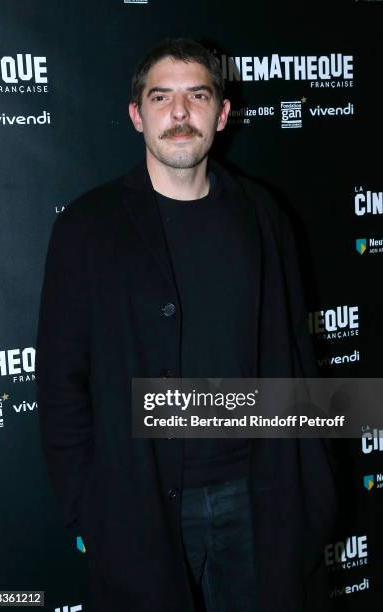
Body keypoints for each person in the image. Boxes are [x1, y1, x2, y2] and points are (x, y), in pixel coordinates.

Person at [36, 38, 338, 612]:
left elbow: (298, 359)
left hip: (259, 498)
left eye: (197, 96)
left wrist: (314, 479)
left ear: (221, 114)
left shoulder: (265, 216)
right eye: (161, 97)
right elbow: (60, 380)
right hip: (140, 506)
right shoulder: (88, 227)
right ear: (136, 115)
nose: (179, 113)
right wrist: (86, 504)